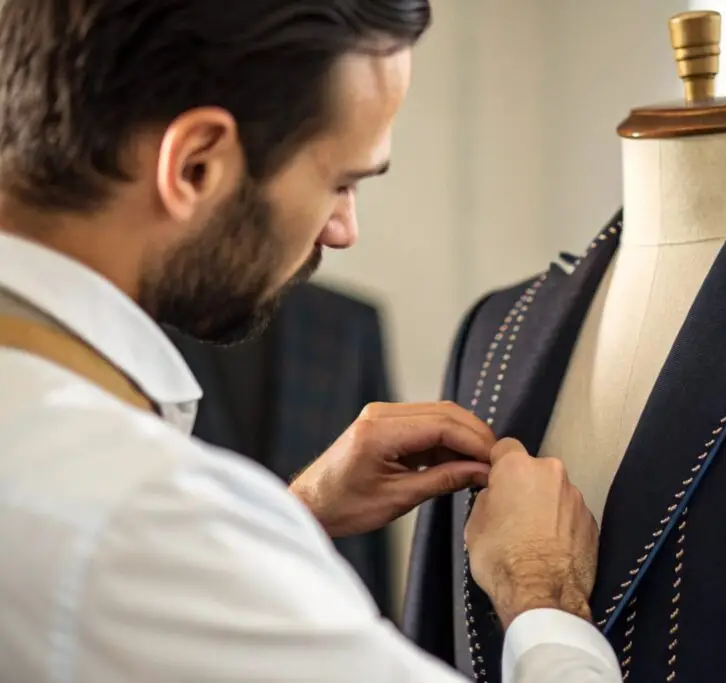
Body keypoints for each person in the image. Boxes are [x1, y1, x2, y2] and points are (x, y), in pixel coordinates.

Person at [0, 1, 621, 681]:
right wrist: (543, 595)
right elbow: (124, 551)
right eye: (341, 182)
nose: (343, 230)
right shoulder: (138, 520)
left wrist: (288, 514)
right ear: (195, 166)